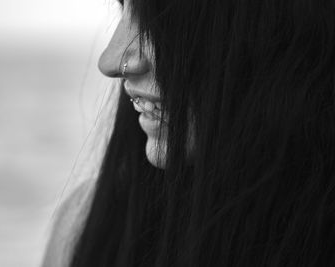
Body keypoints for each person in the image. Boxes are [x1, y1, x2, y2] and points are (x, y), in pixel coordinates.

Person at [42, 0, 335, 266]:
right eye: (125, 9)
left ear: (275, 30)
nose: (111, 60)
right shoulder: (84, 224)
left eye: (160, 18)